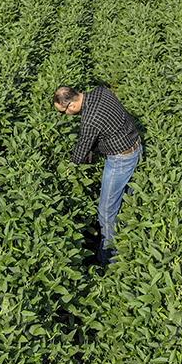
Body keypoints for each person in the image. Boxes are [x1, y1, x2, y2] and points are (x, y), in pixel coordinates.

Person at [53, 84, 142, 266]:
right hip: (135, 144)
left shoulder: (90, 119)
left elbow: (82, 149)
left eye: (63, 112)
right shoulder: (101, 91)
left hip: (120, 159)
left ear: (71, 105)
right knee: (127, 200)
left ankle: (109, 258)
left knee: (106, 211)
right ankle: (128, 238)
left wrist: (69, 169)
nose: (65, 116)